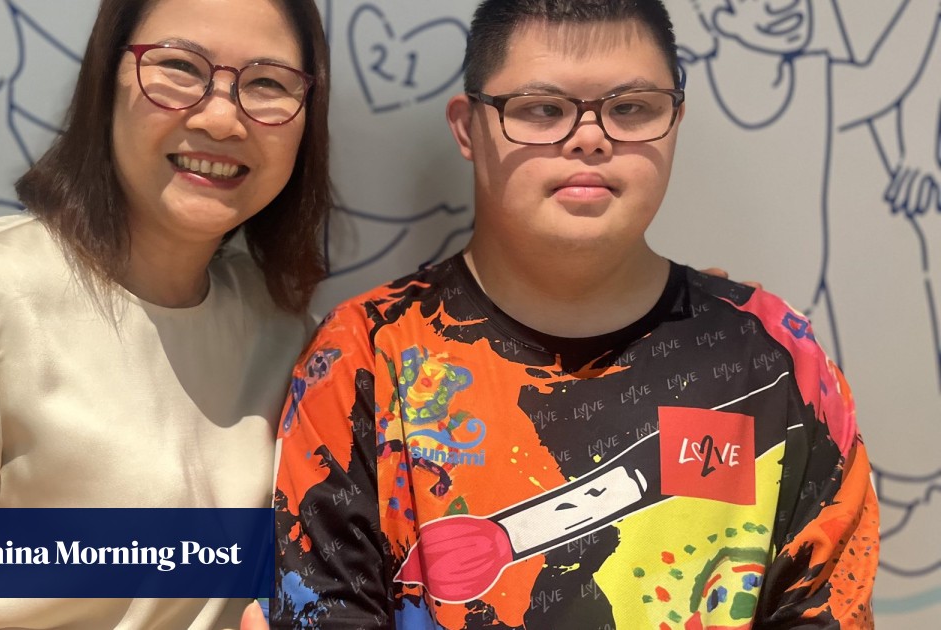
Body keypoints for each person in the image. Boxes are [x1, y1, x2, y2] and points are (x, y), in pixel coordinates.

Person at [270, 1, 879, 628]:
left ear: (674, 123)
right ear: (467, 129)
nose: (590, 137)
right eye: (542, 109)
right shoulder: (364, 356)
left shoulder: (775, 362)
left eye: (631, 109)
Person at [0, 0, 330, 627]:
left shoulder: (285, 334)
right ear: (106, 80)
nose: (221, 118)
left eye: (267, 83)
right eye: (180, 67)